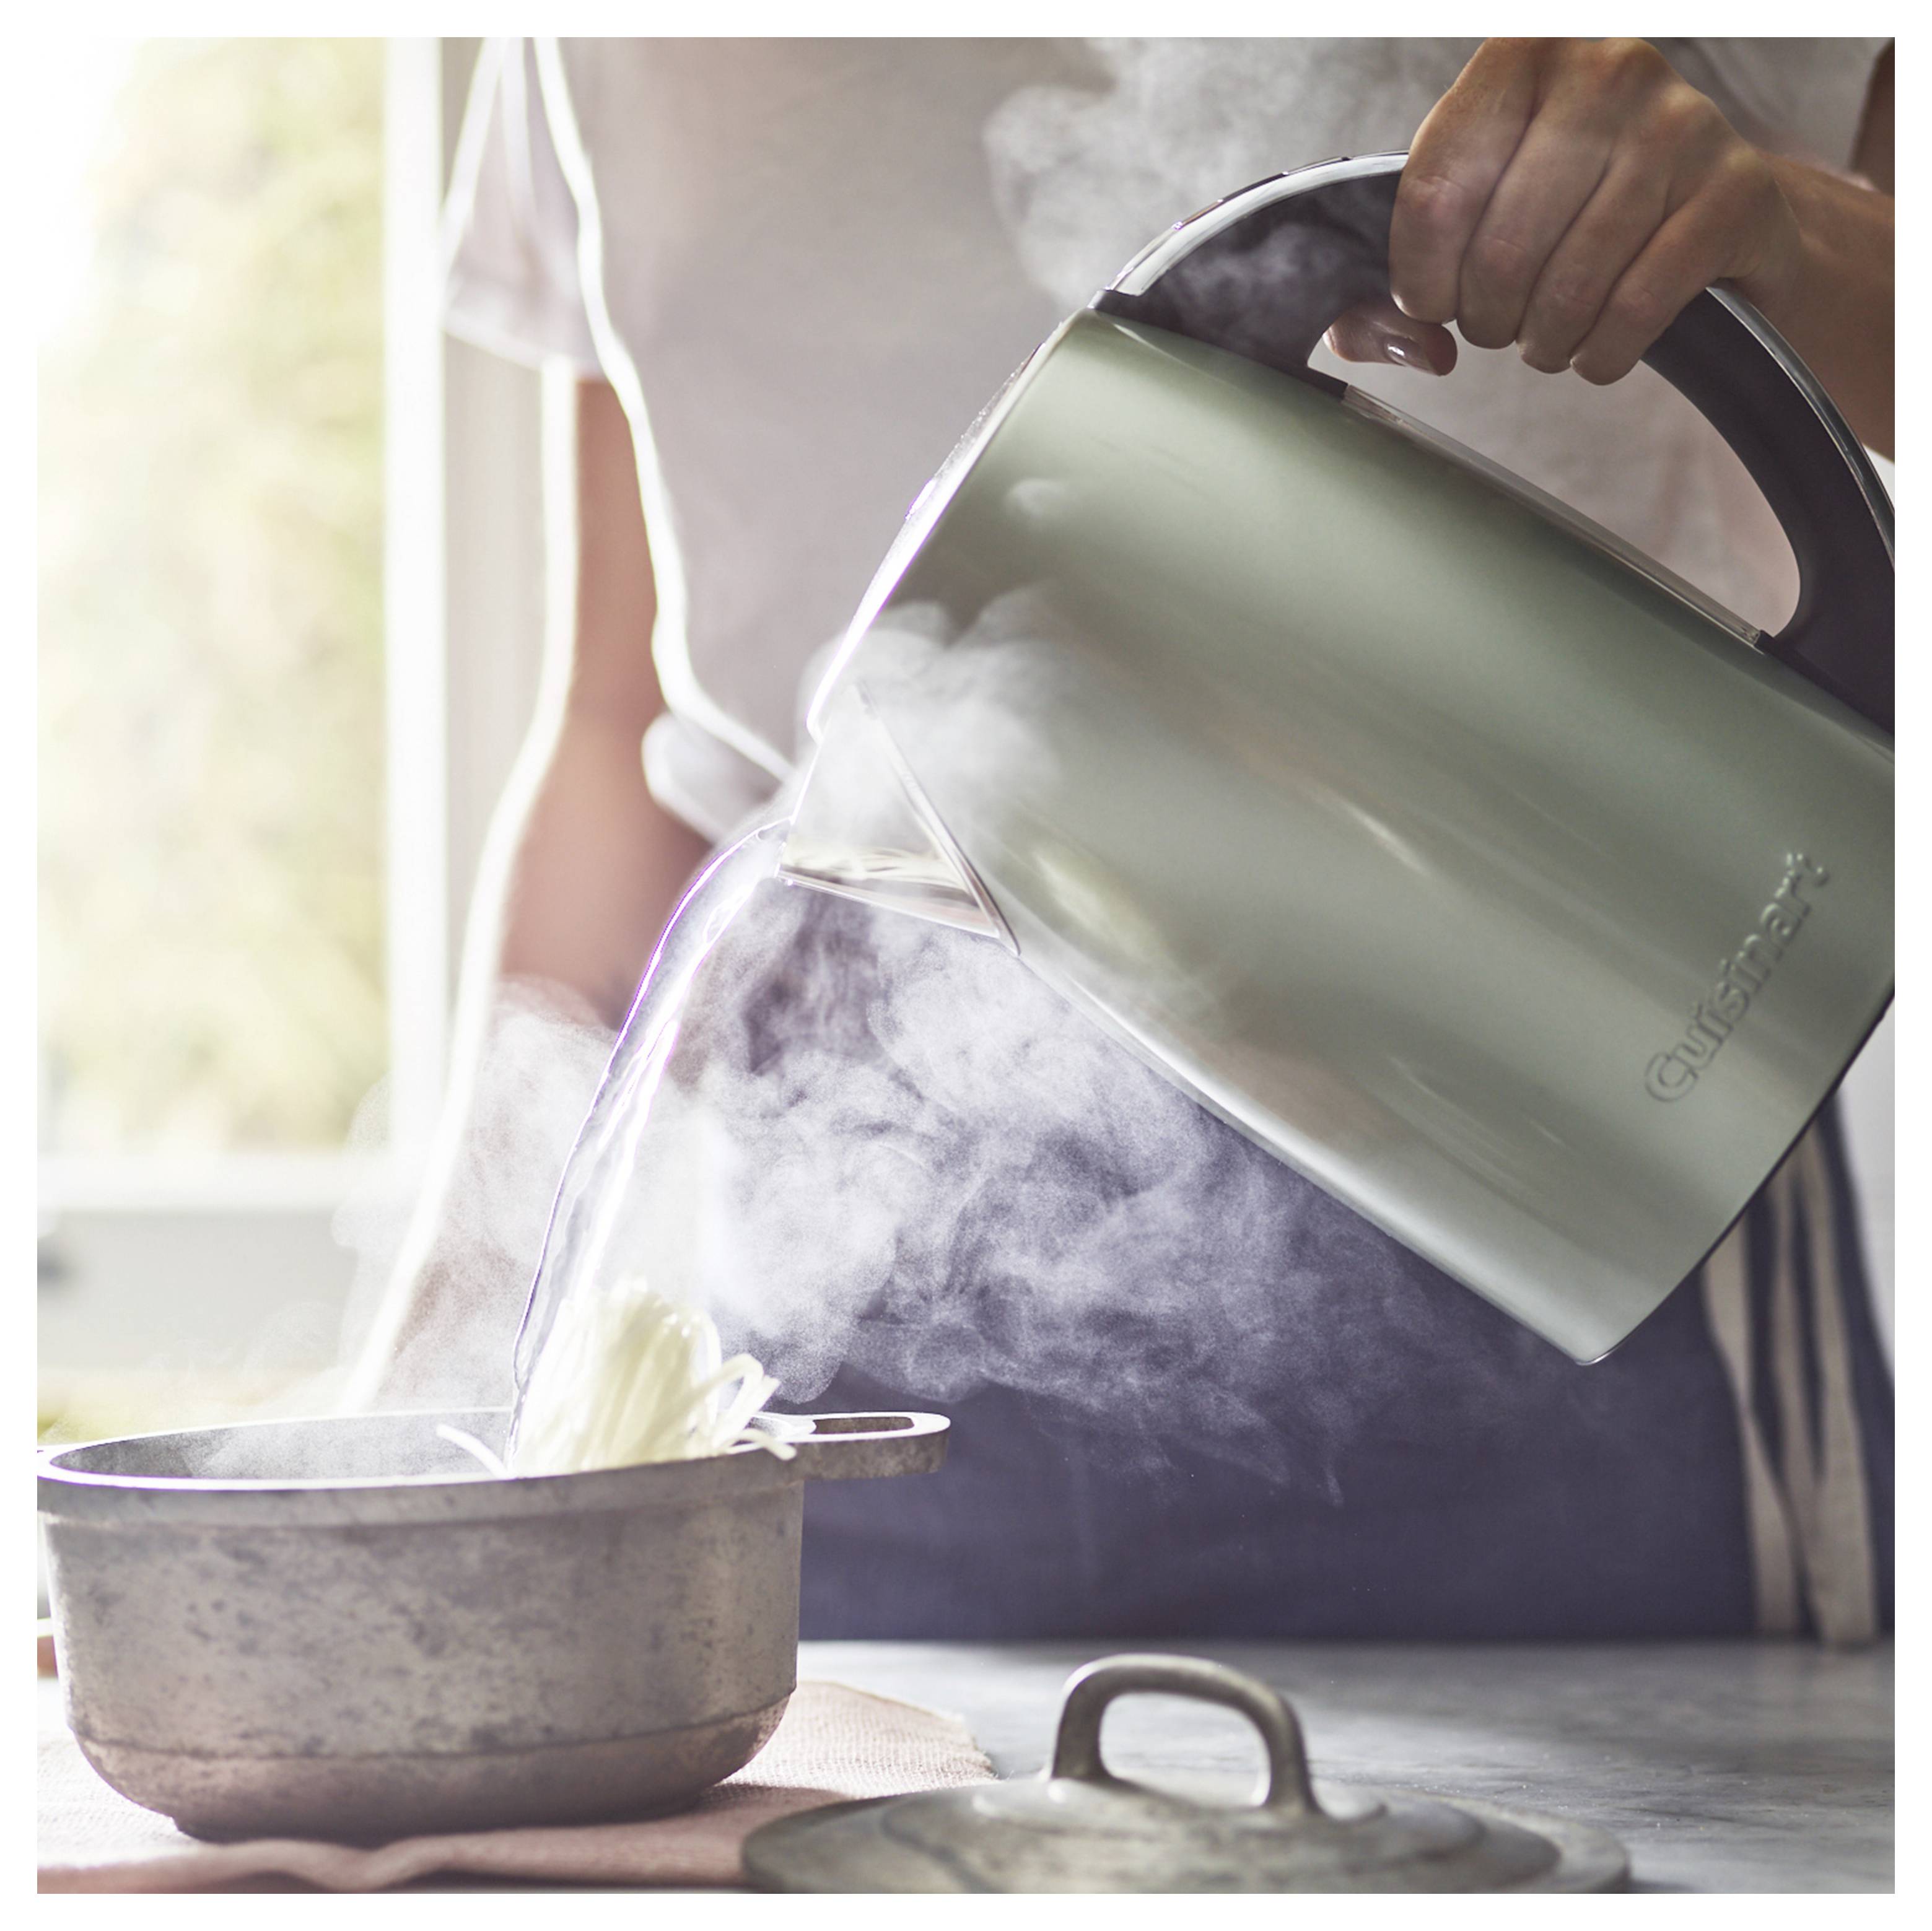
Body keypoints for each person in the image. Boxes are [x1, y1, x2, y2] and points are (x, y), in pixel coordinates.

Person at [349, 38, 1893, 1643]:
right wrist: (426, 1406)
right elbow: (625, 733)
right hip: (843, 1240)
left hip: (1538, 1157)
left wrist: (1782, 231)